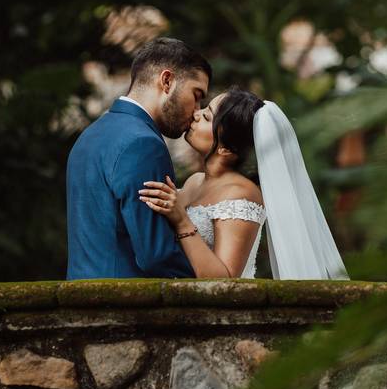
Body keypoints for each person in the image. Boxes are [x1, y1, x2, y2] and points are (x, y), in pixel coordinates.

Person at [139, 87, 349, 280]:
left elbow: (226, 279)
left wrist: (183, 221)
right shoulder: (195, 182)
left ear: (226, 149)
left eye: (206, 116)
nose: (196, 114)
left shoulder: (241, 194)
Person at [66, 37, 211, 279]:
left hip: (81, 300)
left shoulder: (90, 135)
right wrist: (211, 282)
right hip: (125, 306)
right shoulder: (143, 144)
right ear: (167, 81)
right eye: (196, 95)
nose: (197, 110)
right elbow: (155, 255)